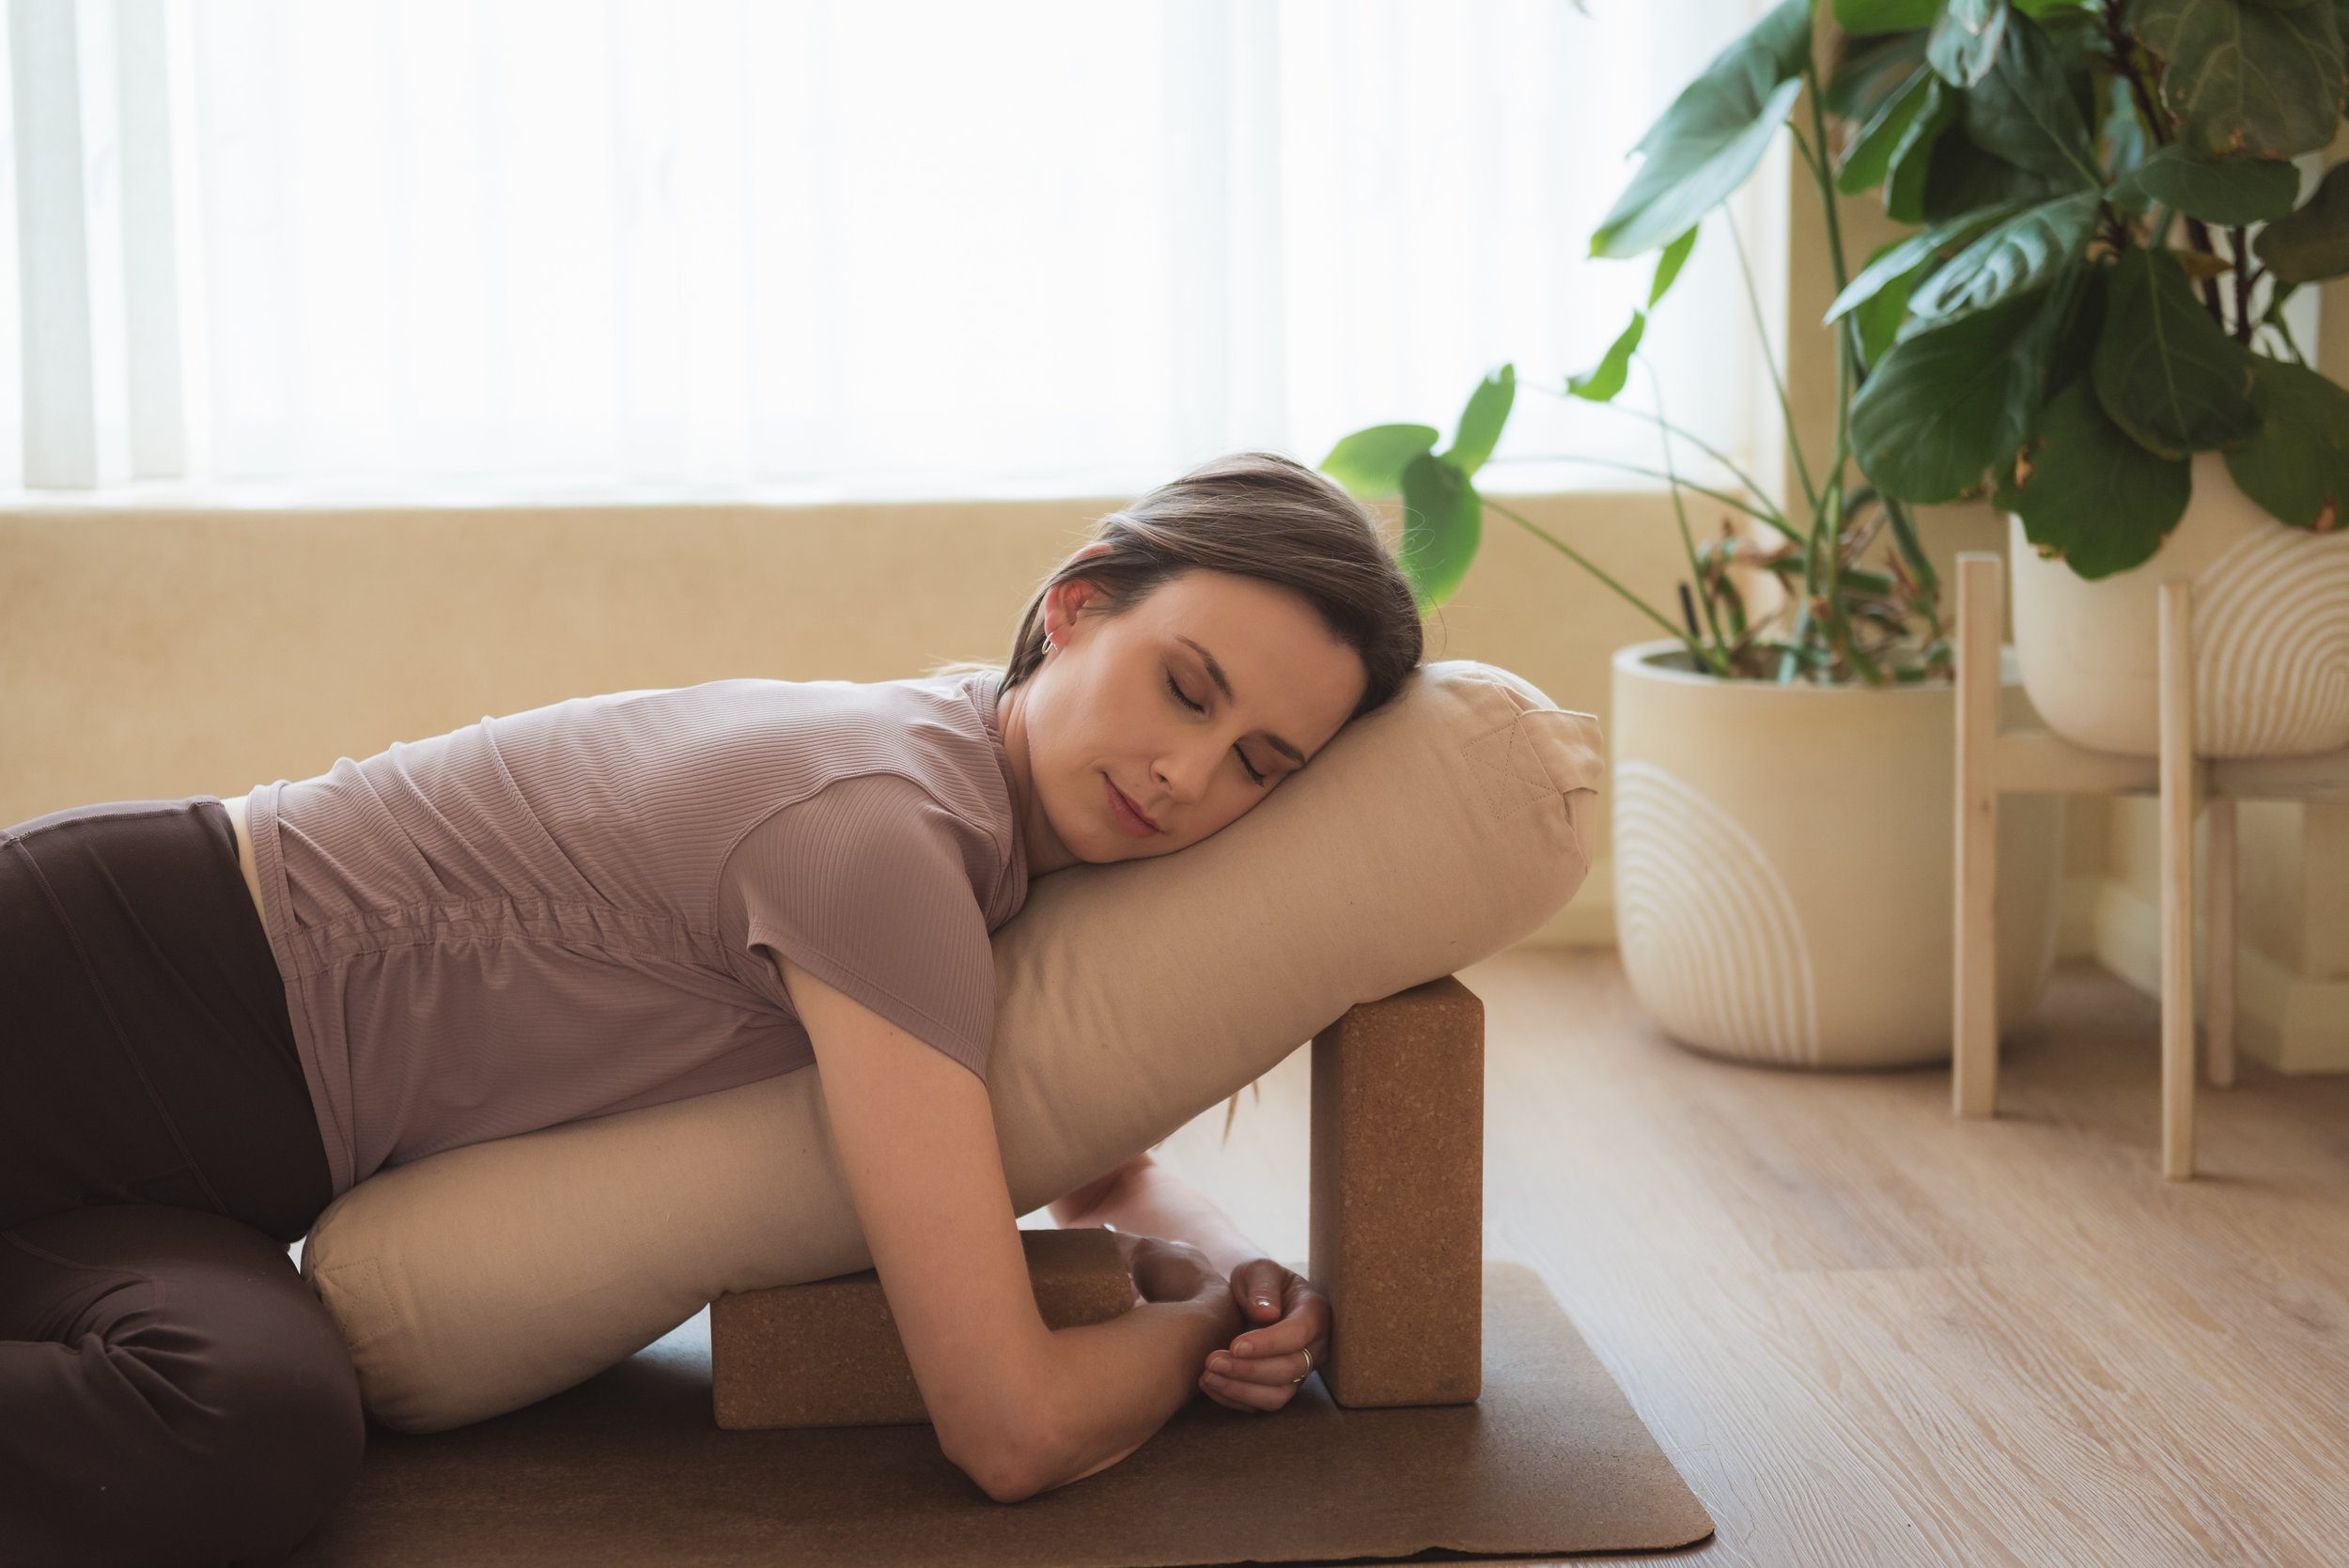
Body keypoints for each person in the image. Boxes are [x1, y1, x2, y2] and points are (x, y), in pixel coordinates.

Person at [1, 449, 1426, 1559]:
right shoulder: (881, 831)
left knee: (261, 1428)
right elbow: (1010, 1426)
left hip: (214, 1177)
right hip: (105, 984)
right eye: (1185, 689)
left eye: (1256, 765)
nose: (1188, 775)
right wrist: (1185, 1347)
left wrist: (1250, 1282)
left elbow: (1087, 1165)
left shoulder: (984, 830)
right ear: (1075, 606)